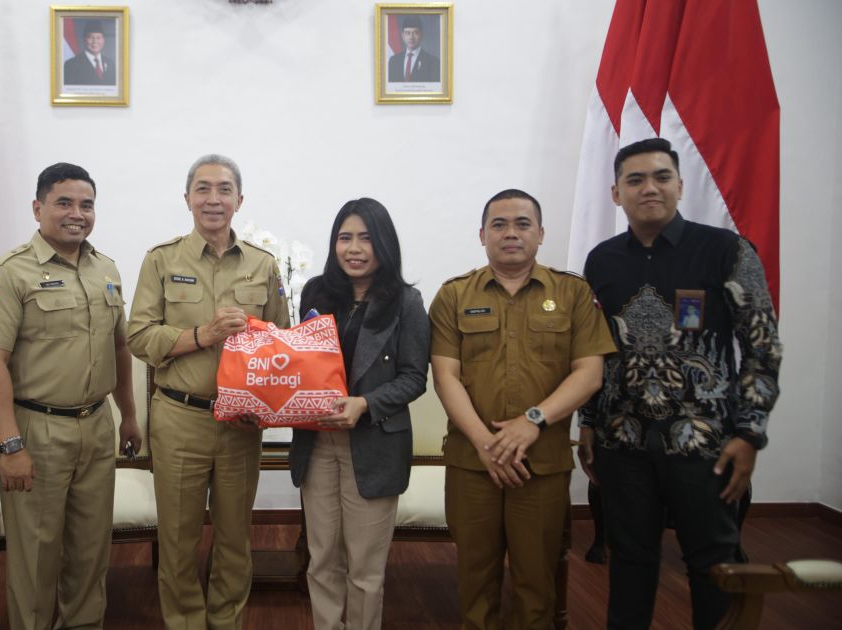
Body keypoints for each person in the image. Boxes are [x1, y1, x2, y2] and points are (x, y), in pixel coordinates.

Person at [579, 137, 782, 629]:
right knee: (629, 560)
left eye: (661, 177)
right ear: (616, 193)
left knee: (713, 564)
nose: (650, 188)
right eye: (635, 179)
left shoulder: (726, 251)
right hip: (621, 440)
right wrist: (589, 423)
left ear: (680, 184)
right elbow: (595, 351)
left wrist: (749, 432)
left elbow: (762, 347)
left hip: (704, 441)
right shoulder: (601, 261)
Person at [429, 189, 616, 629]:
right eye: (499, 224)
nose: (510, 233)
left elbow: (589, 374)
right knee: (475, 577)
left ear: (540, 233)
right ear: (482, 235)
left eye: (522, 224)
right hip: (473, 463)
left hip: (541, 463)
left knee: (538, 581)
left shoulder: (573, 294)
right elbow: (445, 377)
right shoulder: (453, 295)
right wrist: (486, 443)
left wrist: (532, 422)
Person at [0, 162, 140, 630]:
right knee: (37, 557)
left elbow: (119, 347)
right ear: (37, 207)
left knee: (90, 552)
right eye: (63, 202)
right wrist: (9, 446)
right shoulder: (7, 273)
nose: (76, 213)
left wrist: (128, 414)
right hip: (36, 431)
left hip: (96, 424)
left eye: (86, 204)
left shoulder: (105, 268)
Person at [127, 154, 290, 629]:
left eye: (223, 190)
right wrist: (203, 334)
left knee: (236, 540)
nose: (213, 199)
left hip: (241, 424)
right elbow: (139, 337)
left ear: (240, 200)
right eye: (203, 189)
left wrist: (263, 405)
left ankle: (227, 623)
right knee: (177, 542)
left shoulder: (264, 265)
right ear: (187, 199)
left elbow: (278, 343)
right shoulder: (161, 260)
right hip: (181, 419)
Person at [290, 198, 429, 630]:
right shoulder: (316, 292)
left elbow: (413, 378)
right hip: (318, 443)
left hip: (373, 442)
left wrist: (365, 404)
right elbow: (301, 361)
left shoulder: (406, 301)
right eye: (344, 237)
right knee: (321, 559)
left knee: (365, 571)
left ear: (383, 244)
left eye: (366, 238)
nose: (354, 248)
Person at [387, 15, 441, 83]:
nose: (411, 37)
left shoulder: (433, 62)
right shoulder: (393, 61)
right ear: (403, 36)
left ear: (421, 35)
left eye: (415, 33)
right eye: (407, 33)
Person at [63, 19, 115, 86]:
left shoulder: (110, 63)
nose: (95, 42)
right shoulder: (71, 65)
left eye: (98, 38)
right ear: (84, 40)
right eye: (90, 37)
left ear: (103, 40)